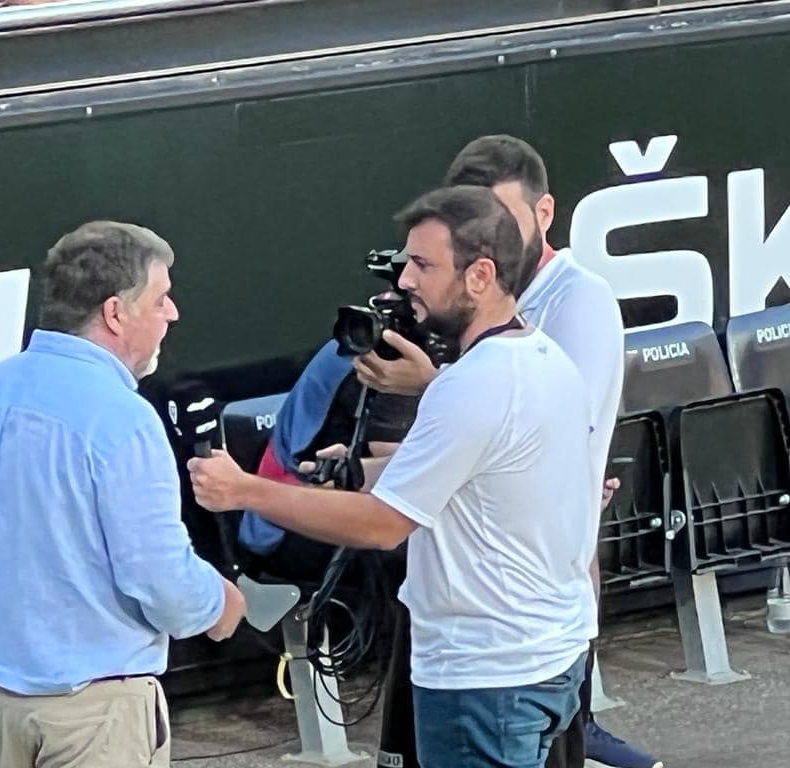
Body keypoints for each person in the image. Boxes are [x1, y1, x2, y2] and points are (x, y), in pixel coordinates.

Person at [190, 185, 598, 768]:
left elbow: (383, 526)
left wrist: (246, 491)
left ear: (480, 276)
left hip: (484, 679)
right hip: (545, 660)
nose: (405, 280)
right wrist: (357, 470)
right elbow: (478, 474)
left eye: (423, 265)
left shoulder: (472, 385)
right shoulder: (544, 359)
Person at [355, 135, 659, 768]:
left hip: (526, 623)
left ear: (544, 213)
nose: (488, 235)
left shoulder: (579, 299)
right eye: (472, 219)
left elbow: (548, 431)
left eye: (502, 218)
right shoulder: (452, 309)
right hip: (457, 603)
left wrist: (430, 382)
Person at [0, 220, 246, 768]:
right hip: (95, 709)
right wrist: (218, 605)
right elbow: (159, 577)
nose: (172, 313)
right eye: (161, 298)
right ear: (115, 313)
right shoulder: (122, 418)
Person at [237, 340, 416, 582]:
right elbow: (408, 476)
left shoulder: (362, 334)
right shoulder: (387, 360)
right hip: (291, 529)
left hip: (298, 506)